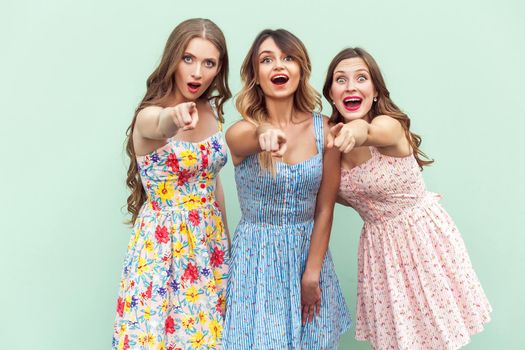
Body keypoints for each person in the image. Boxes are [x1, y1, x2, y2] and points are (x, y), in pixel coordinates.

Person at [324, 47, 492, 350]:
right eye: (341, 80)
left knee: (434, 337)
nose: (350, 86)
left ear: (375, 91)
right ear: (332, 94)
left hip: (420, 241)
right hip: (379, 251)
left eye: (361, 78)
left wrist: (357, 129)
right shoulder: (331, 144)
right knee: (398, 340)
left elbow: (369, 130)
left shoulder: (389, 126)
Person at [223, 29, 351, 349]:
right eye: (267, 60)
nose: (279, 66)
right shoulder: (241, 132)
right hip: (257, 261)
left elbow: (324, 207)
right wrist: (264, 132)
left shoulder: (326, 130)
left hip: (308, 256)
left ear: (300, 69)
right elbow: (250, 136)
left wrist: (312, 273)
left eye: (288, 58)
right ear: (255, 76)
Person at [112, 18, 231, 350]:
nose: (197, 72)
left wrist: (228, 245)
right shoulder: (150, 115)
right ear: (173, 59)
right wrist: (173, 117)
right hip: (163, 251)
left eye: (209, 63)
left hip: (210, 246)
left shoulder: (212, 112)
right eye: (188, 59)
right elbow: (158, 124)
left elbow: (214, 184)